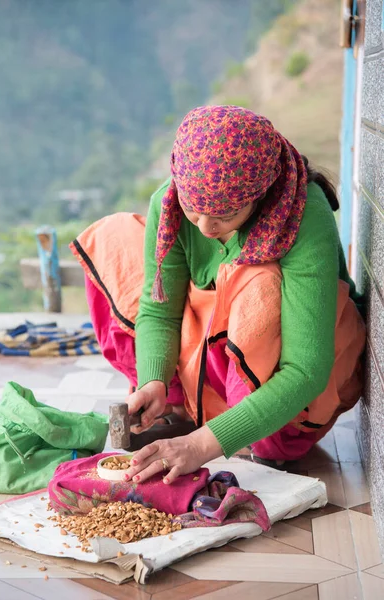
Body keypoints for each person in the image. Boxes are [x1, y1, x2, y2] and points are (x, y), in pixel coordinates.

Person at [71, 105, 365, 487]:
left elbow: (306, 371)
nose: (207, 228)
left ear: (260, 195)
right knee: (114, 240)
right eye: (194, 211)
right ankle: (181, 404)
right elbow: (159, 312)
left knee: (256, 281)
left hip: (294, 400)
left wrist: (201, 446)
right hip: (217, 357)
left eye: (224, 217)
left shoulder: (304, 216)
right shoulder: (173, 201)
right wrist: (153, 380)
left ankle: (231, 426)